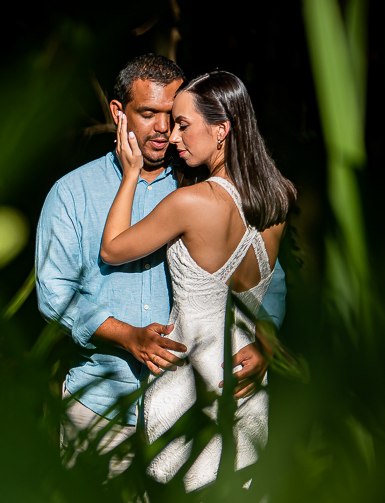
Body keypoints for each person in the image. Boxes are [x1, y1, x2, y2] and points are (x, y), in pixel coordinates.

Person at [35, 55, 286, 475]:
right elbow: (53, 292)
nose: (163, 128)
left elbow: (267, 278)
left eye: (173, 116)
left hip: (190, 408)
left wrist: (265, 339)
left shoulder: (199, 183)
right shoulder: (72, 193)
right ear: (119, 113)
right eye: (148, 113)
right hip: (101, 405)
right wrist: (126, 336)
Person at [99, 70, 294, 491]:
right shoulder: (279, 197)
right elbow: (269, 288)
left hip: (189, 386)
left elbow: (112, 249)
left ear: (221, 130)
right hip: (246, 384)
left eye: (183, 125)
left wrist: (131, 172)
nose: (172, 138)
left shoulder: (189, 202)